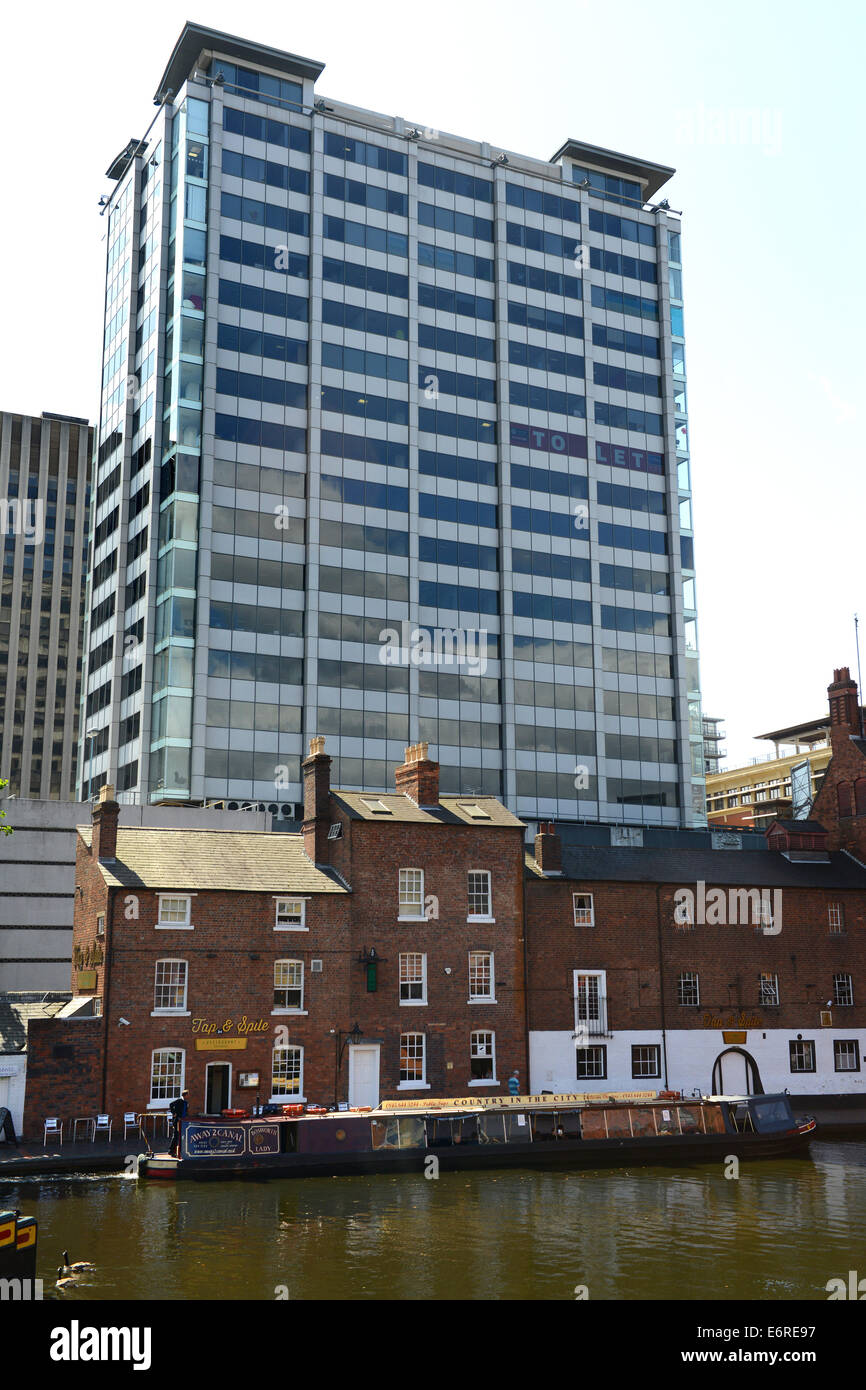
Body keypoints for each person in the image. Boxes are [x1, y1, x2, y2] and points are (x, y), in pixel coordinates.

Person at [168, 1089, 190, 1157]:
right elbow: (171, 1104)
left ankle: (180, 1151)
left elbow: (185, 1111)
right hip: (177, 1121)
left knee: (181, 1136)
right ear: (185, 1095)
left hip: (183, 1121)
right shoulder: (179, 1100)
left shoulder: (185, 1102)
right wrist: (174, 1113)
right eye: (188, 1094)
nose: (189, 1096)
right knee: (176, 1136)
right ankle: (171, 1151)